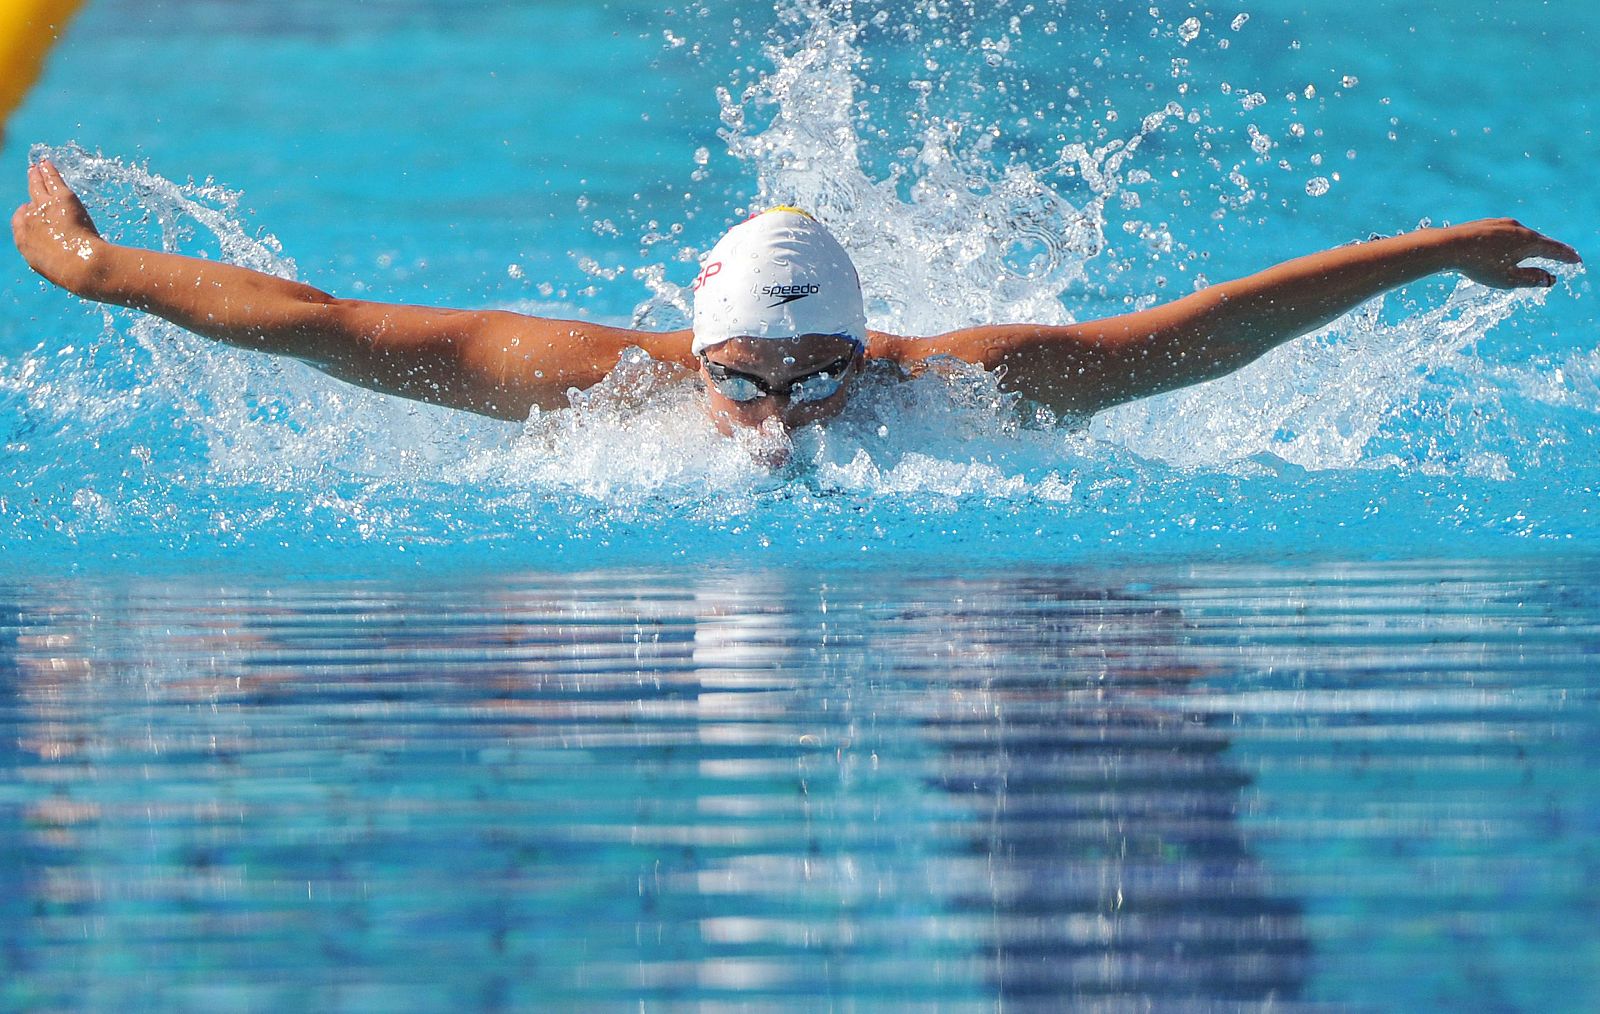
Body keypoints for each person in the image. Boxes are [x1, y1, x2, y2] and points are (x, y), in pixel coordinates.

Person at [12, 158, 1582, 444]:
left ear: (866, 344)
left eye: (821, 375)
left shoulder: (955, 385)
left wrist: (1428, 251)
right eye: (747, 383)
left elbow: (1187, 337)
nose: (788, 417)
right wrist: (94, 271)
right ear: (694, 352)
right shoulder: (592, 385)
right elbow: (325, 322)